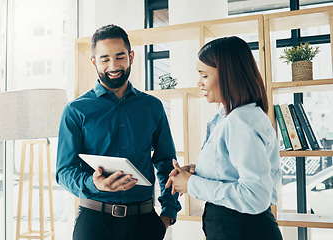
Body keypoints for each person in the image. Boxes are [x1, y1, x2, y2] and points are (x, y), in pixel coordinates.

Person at [56, 24, 181, 240]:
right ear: (94, 61)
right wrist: (93, 183)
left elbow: (166, 163)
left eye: (120, 57)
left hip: (144, 224)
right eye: (104, 59)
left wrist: (169, 213)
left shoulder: (152, 107)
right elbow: (64, 171)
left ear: (131, 56)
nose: (113, 65)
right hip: (94, 224)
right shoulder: (75, 110)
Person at [166, 36, 283, 240]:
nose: (199, 82)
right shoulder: (231, 117)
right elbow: (231, 171)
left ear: (228, 75)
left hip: (243, 230)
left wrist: (192, 184)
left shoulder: (240, 122)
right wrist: (196, 173)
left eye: (204, 75)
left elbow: (255, 196)